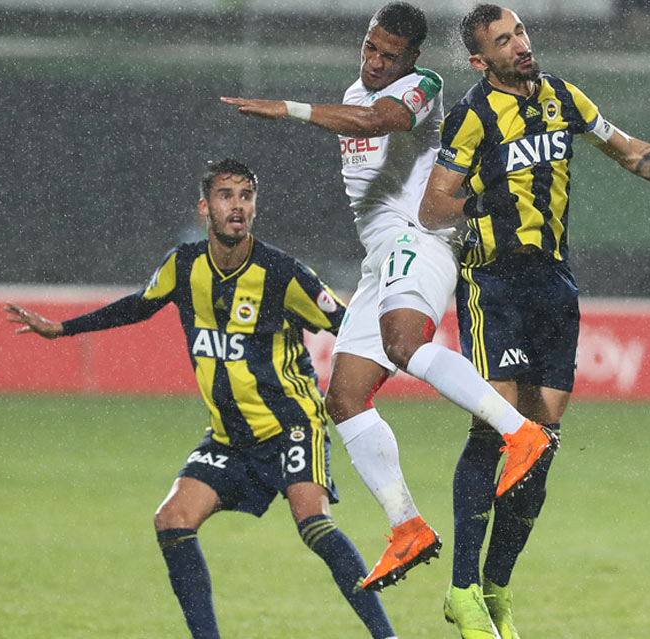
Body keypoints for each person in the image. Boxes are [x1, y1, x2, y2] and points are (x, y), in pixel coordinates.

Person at [417, 5, 650, 638]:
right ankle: (462, 589)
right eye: (504, 41)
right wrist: (485, 203)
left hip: (553, 283)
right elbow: (432, 206)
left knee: (542, 440)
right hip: (495, 282)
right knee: (496, 429)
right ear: (479, 60)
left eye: (520, 31)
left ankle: (498, 585)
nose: (521, 45)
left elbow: (632, 153)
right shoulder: (469, 116)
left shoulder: (562, 97)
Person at [220, 1, 558, 593]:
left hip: (421, 239)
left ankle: (520, 432)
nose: (376, 62)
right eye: (370, 48)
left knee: (404, 345)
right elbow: (361, 123)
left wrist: (290, 109)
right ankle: (406, 527)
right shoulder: (356, 90)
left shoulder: (420, 87)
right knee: (346, 398)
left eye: (388, 54)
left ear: (413, 58)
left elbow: (378, 122)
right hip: (380, 258)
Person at [4, 159, 397, 639]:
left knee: (313, 523)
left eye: (246, 196)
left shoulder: (282, 273)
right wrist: (63, 329)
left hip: (291, 425)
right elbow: (138, 305)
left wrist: (369, 376)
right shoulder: (183, 265)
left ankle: (387, 637)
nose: (238, 206)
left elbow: (350, 326)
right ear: (204, 207)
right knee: (172, 521)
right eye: (226, 195)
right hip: (230, 438)